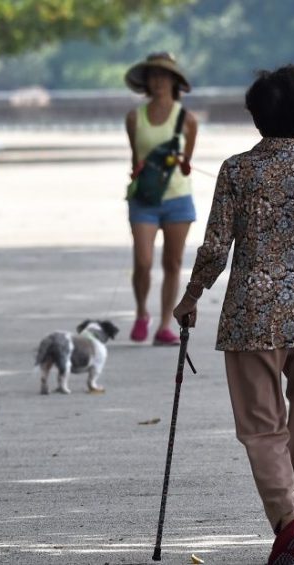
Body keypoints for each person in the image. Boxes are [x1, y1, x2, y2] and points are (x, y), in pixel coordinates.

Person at [172, 65, 294, 565]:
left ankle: (290, 525)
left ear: (256, 115)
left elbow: (216, 247)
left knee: (261, 429)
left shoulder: (237, 171)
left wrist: (192, 295)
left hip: (250, 317)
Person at [124, 52, 199, 346]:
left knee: (173, 262)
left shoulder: (187, 120)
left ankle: (165, 324)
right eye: (152, 76)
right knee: (142, 261)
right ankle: (142, 311)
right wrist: (139, 169)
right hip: (144, 198)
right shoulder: (134, 118)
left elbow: (186, 161)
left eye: (163, 75)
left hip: (178, 198)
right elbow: (135, 157)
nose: (157, 81)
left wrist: (182, 163)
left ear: (174, 80)